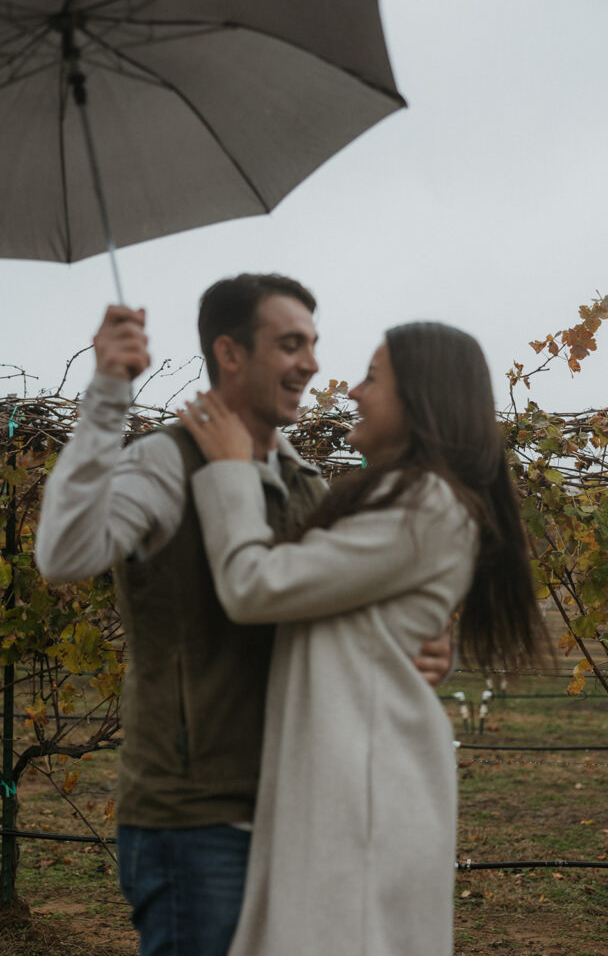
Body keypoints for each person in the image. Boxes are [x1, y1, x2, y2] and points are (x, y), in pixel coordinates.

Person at [35, 274, 451, 956]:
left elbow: (330, 611)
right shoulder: (165, 464)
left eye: (313, 345)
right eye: (290, 344)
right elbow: (63, 552)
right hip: (195, 824)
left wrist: (417, 642)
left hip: (299, 809)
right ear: (229, 354)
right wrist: (109, 393)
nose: (312, 363)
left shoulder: (307, 484)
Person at [179, 320, 551, 956]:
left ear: (420, 401)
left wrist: (233, 470)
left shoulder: (425, 504)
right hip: (355, 782)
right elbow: (357, 602)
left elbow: (254, 585)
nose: (351, 389)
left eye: (373, 378)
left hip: (364, 795)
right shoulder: (407, 502)